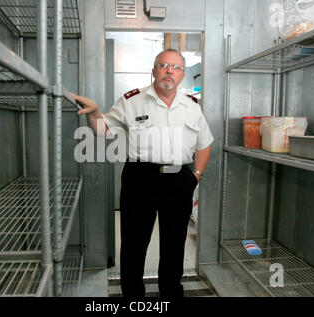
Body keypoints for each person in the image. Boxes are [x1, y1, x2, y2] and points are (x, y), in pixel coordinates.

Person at [71, 49, 213, 297]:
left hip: (180, 180)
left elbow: (205, 144)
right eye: (164, 65)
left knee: (174, 244)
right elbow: (103, 130)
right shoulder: (131, 101)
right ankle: (133, 297)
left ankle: (170, 293)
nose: (169, 70)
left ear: (182, 75)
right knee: (134, 245)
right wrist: (94, 113)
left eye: (176, 67)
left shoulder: (192, 107)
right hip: (141, 179)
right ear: (154, 70)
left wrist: (196, 175)